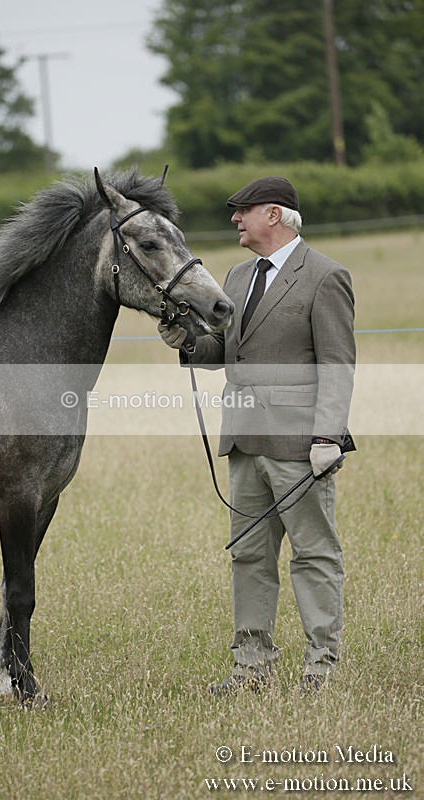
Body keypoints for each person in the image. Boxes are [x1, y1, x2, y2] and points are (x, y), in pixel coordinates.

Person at [159, 176, 355, 695]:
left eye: (242, 210)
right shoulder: (238, 276)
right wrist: (186, 340)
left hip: (300, 445)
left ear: (274, 214)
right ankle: (251, 667)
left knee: (313, 555)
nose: (234, 219)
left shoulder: (326, 276)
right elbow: (223, 353)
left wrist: (328, 436)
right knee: (248, 555)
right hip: (243, 440)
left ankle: (321, 667)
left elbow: (338, 366)